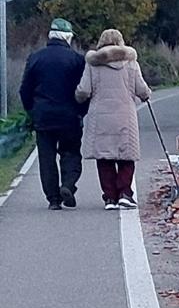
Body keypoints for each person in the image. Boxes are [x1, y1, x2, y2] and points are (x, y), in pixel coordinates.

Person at [75, 28, 151, 210]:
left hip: (100, 116)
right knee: (127, 155)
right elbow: (142, 89)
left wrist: (78, 97)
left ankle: (110, 197)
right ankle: (125, 193)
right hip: (125, 115)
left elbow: (84, 90)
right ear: (121, 42)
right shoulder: (131, 63)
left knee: (104, 157)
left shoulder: (93, 64)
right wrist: (146, 95)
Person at [18, 18, 86, 210]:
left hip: (43, 116)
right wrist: (81, 111)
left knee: (46, 159)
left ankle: (53, 199)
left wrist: (32, 112)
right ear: (68, 37)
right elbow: (83, 90)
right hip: (69, 116)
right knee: (71, 153)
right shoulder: (77, 60)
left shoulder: (35, 58)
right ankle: (68, 185)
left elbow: (25, 90)